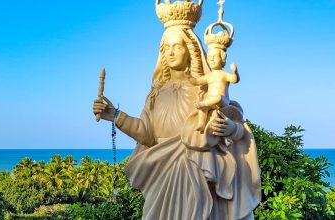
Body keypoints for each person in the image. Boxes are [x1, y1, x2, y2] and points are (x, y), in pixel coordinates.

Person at [93, 1, 260, 219]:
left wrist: (231, 129)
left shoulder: (205, 90)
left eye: (177, 46)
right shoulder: (156, 93)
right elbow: (146, 134)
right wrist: (115, 115)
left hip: (194, 171)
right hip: (161, 173)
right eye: (167, 48)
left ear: (190, 49)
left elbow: (236, 125)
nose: (171, 53)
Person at [189, 30, 240, 132]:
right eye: (209, 57)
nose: (211, 60)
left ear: (222, 59)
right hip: (210, 102)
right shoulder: (209, 76)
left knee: (217, 97)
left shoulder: (224, 74)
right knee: (203, 108)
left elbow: (234, 80)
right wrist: (188, 77)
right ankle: (201, 124)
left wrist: (235, 72)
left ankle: (203, 104)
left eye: (214, 57)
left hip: (223, 101)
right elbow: (197, 81)